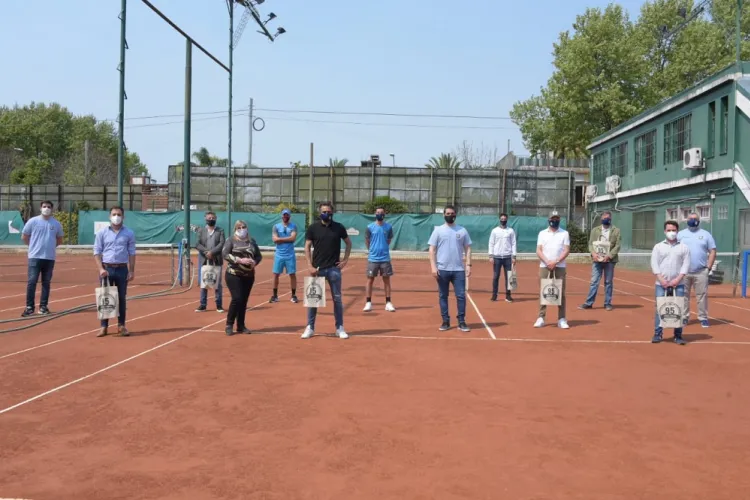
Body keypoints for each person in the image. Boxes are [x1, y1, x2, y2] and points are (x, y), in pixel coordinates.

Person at [301, 201, 352, 340]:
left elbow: (348, 243)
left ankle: (339, 327)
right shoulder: (313, 228)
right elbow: (307, 247)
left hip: (334, 270)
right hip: (317, 269)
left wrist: (345, 260)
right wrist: (309, 265)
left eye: (329, 212)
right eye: (324, 211)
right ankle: (310, 327)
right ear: (319, 213)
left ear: (332, 213)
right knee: (313, 300)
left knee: (337, 299)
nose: (326, 214)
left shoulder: (339, 228)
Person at [428, 205, 472, 332]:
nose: (450, 215)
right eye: (447, 213)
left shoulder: (462, 230)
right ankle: (445, 321)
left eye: (452, 213)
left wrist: (468, 265)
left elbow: (468, 248)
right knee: (443, 296)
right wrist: (433, 267)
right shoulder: (438, 231)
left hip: (459, 270)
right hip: (442, 270)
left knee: (461, 296)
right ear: (443, 215)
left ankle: (462, 321)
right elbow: (432, 250)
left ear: (455, 215)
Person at [94, 206, 136, 337]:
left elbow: (132, 253)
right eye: (114, 214)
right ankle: (103, 327)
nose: (116, 217)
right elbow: (97, 252)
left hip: (122, 269)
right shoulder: (102, 233)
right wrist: (101, 268)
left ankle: (121, 326)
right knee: (105, 297)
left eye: (119, 214)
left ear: (123, 217)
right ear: (109, 216)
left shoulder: (129, 233)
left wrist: (131, 271)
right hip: (107, 269)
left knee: (121, 298)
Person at [21, 200, 64, 317]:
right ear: (40, 208)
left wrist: (50, 247)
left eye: (49, 207)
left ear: (52, 209)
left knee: (46, 282)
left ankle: (43, 307)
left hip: (49, 258)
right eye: (44, 206)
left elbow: (59, 239)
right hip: (34, 257)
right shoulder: (33, 221)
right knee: (32, 282)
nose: (46, 208)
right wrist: (32, 246)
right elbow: (24, 236)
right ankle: (29, 307)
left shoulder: (56, 224)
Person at [651, 220, 690, 345]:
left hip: (678, 283)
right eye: (669, 230)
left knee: (678, 308)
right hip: (660, 284)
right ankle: (658, 334)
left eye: (673, 230)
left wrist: (677, 279)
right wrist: (661, 280)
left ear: (677, 231)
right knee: (659, 308)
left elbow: (686, 265)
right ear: (664, 231)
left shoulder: (684, 247)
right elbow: (654, 263)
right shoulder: (658, 247)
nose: (671, 232)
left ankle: (678, 335)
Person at [222, 220, 262, 336]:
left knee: (244, 300)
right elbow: (225, 254)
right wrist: (239, 260)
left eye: (243, 227)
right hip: (233, 274)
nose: (242, 229)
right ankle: (229, 324)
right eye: (239, 227)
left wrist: (255, 262)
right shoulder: (231, 240)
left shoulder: (252, 241)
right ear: (235, 229)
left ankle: (241, 325)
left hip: (249, 276)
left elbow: (259, 256)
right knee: (237, 298)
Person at [677, 212, 717, 328]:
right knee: (683, 296)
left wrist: (708, 267)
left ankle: (703, 318)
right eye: (690, 218)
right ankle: (684, 317)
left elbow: (712, 251)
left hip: (700, 271)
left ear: (699, 220)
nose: (693, 220)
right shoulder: (680, 235)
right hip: (684, 272)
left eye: (695, 218)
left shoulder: (706, 235)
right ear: (686, 220)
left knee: (702, 296)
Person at [534, 211, 570, 329]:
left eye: (557, 218)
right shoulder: (542, 233)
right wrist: (547, 262)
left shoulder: (564, 233)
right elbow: (539, 250)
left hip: (560, 266)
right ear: (548, 219)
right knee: (543, 291)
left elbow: (566, 250)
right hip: (544, 266)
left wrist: (556, 261)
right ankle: (541, 317)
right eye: (552, 218)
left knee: (560, 292)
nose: (555, 220)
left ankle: (561, 318)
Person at [579, 211, 621, 311]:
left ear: (610, 219)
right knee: (594, 281)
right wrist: (593, 253)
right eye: (604, 218)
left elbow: (618, 245)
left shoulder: (616, 230)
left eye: (607, 218)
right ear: (601, 219)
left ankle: (607, 303)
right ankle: (589, 303)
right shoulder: (595, 230)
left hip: (609, 261)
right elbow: (590, 244)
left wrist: (609, 256)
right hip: (597, 260)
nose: (605, 220)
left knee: (608, 282)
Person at [363, 206, 396, 312]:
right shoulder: (370, 227)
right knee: (370, 280)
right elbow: (367, 241)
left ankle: (388, 303)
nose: (379, 214)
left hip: (385, 258)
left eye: (381, 212)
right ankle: (368, 303)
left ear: (384, 214)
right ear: (375, 214)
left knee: (386, 280)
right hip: (373, 258)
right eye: (377, 212)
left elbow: (389, 241)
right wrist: (372, 250)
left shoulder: (388, 227)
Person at [195, 211, 225, 313]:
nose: (211, 219)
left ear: (216, 218)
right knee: (204, 282)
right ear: (205, 219)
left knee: (217, 283)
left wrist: (212, 252)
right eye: (209, 218)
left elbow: (221, 244)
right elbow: (197, 244)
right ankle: (203, 305)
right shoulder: (201, 230)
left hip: (216, 259)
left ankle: (219, 305)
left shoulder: (220, 231)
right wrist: (206, 252)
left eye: (213, 218)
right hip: (204, 260)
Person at [270, 209, 298, 304]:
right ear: (281, 216)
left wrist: (280, 239)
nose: (285, 217)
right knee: (275, 274)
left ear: (289, 216)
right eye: (284, 215)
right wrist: (287, 239)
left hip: (290, 255)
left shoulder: (293, 226)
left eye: (287, 215)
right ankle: (274, 296)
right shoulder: (276, 227)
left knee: (292, 274)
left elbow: (293, 238)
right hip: (279, 255)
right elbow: (274, 239)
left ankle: (293, 295)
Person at [488, 213, 516, 303]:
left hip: (508, 257)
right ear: (499, 219)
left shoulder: (511, 231)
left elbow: (513, 243)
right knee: (496, 276)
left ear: (507, 220)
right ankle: (494, 295)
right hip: (497, 258)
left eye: (505, 219)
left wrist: (514, 256)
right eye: (502, 219)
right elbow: (491, 243)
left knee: (509, 277)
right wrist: (491, 255)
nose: (503, 220)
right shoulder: (494, 231)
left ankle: (508, 296)